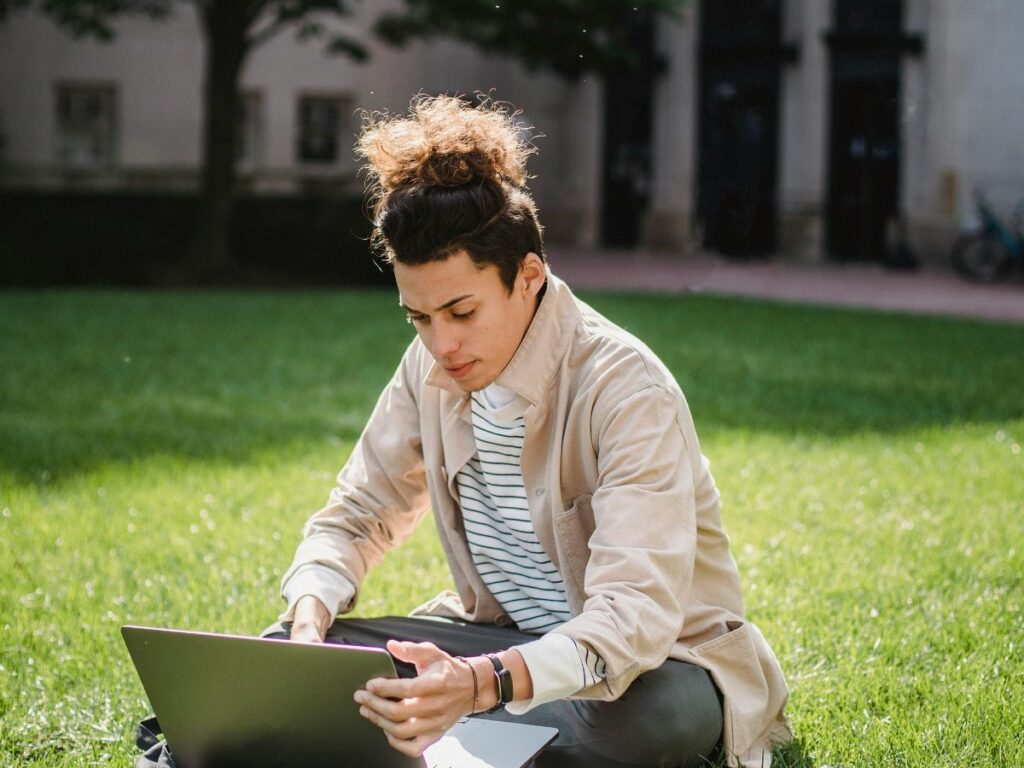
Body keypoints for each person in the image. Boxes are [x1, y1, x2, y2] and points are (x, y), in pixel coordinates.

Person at [263, 95, 791, 768]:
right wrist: (308, 628)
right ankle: (442, 731)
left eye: (460, 310)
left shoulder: (627, 389)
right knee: (285, 646)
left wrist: (479, 685)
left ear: (528, 277)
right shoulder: (430, 366)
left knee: (647, 726)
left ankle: (400, 732)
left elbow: (631, 620)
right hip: (496, 646)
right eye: (418, 318)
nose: (441, 342)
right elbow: (358, 513)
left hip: (652, 666)